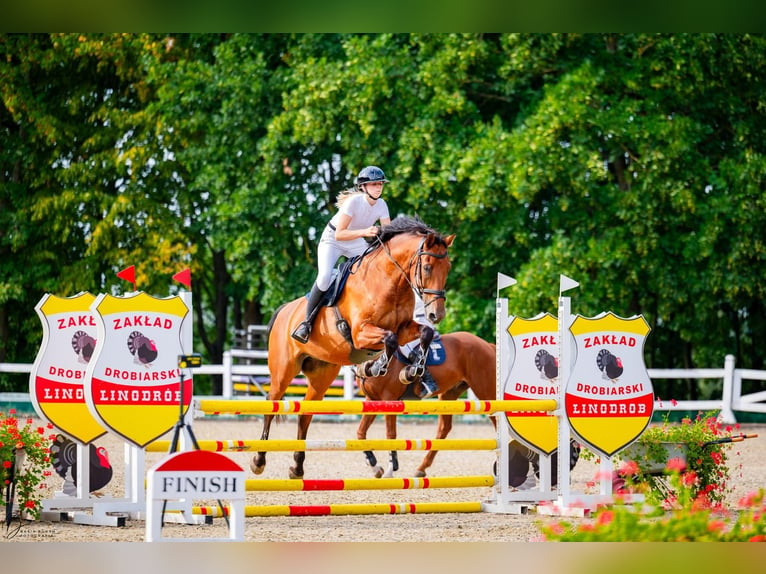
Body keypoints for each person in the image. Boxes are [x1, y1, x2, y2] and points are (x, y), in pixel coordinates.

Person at [291, 165, 392, 344]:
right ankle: (306, 323)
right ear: (364, 187)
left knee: (375, 270)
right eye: (374, 184)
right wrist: (366, 232)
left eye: (380, 184)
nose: (378, 187)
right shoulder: (353, 203)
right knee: (323, 278)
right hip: (333, 240)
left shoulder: (382, 205)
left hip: (355, 242)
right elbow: (340, 234)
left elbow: (387, 234)